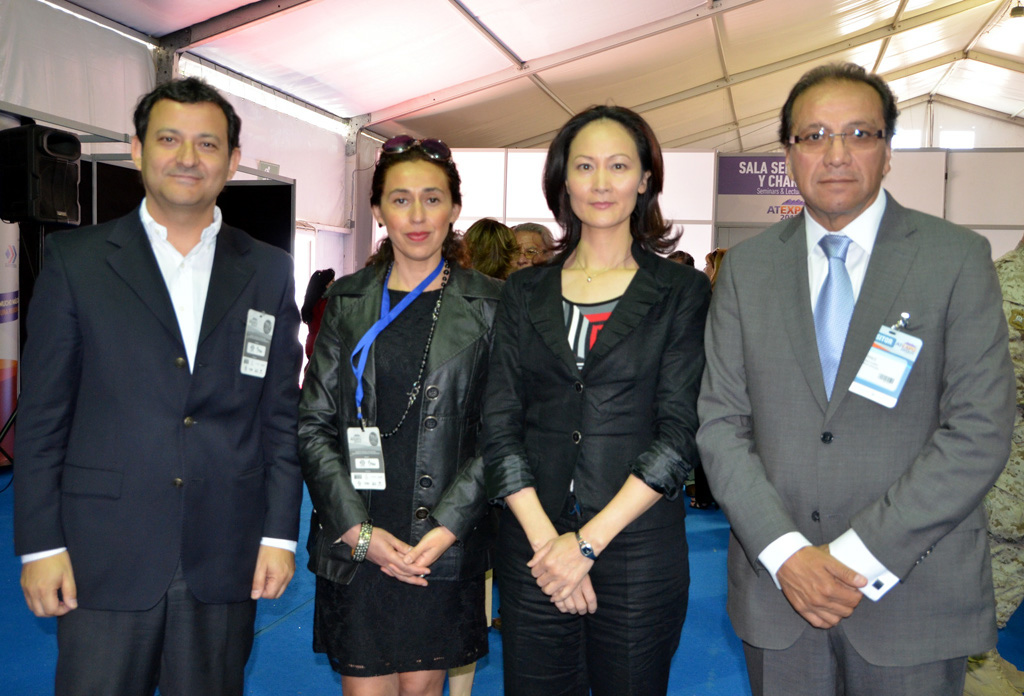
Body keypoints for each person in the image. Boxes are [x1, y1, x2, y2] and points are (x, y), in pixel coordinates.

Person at [697, 62, 1014, 696]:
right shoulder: (747, 270)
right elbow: (721, 425)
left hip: (914, 589)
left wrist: (852, 557)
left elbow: (979, 429)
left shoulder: (956, 258)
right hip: (780, 592)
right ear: (789, 153)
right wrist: (787, 554)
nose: (836, 153)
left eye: (860, 134)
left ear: (888, 151)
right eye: (814, 135)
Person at [13, 77, 303, 695]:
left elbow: (281, 416)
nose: (188, 157)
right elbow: (41, 419)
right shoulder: (77, 261)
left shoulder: (268, 270)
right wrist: (39, 546)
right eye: (169, 139)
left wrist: (279, 534)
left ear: (233, 160)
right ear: (137, 149)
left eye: (207, 144)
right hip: (101, 552)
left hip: (225, 551)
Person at [483, 105, 710, 695]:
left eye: (619, 166)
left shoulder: (680, 291)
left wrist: (586, 543)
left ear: (646, 179)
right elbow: (499, 424)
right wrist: (550, 546)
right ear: (563, 180)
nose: (602, 182)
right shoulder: (523, 291)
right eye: (585, 166)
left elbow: (680, 430)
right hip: (534, 547)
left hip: (637, 549)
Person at [300, 135, 500, 696]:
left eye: (432, 199)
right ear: (377, 210)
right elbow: (313, 424)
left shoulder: (491, 305)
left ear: (454, 208)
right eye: (400, 199)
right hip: (359, 531)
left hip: (440, 539)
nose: (417, 216)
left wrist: (448, 527)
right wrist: (356, 531)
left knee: (423, 687)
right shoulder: (347, 300)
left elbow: (502, 432)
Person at [964, 238, 1024, 696]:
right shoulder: (1008, 287)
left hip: (1008, 463)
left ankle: (983, 657)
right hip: (1005, 467)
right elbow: (995, 381)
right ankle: (971, 665)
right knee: (996, 564)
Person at [302, 267, 335, 362]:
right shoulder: (325, 303)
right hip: (323, 347)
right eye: (332, 281)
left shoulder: (312, 303)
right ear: (326, 285)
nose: (335, 283)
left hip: (311, 346)